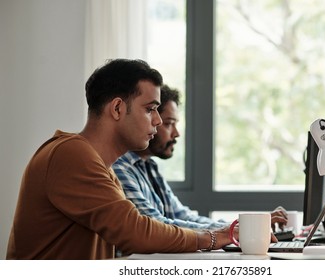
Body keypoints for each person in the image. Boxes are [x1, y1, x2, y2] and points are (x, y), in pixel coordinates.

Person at [6, 59, 242, 260]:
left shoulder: (103, 168)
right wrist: (213, 237)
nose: (158, 121)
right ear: (117, 108)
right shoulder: (69, 154)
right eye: (150, 109)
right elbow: (135, 232)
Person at [112, 84, 288, 231]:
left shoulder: (148, 166)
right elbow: (155, 225)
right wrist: (237, 230)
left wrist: (239, 227)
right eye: (169, 124)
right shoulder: (119, 167)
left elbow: (181, 215)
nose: (176, 133)